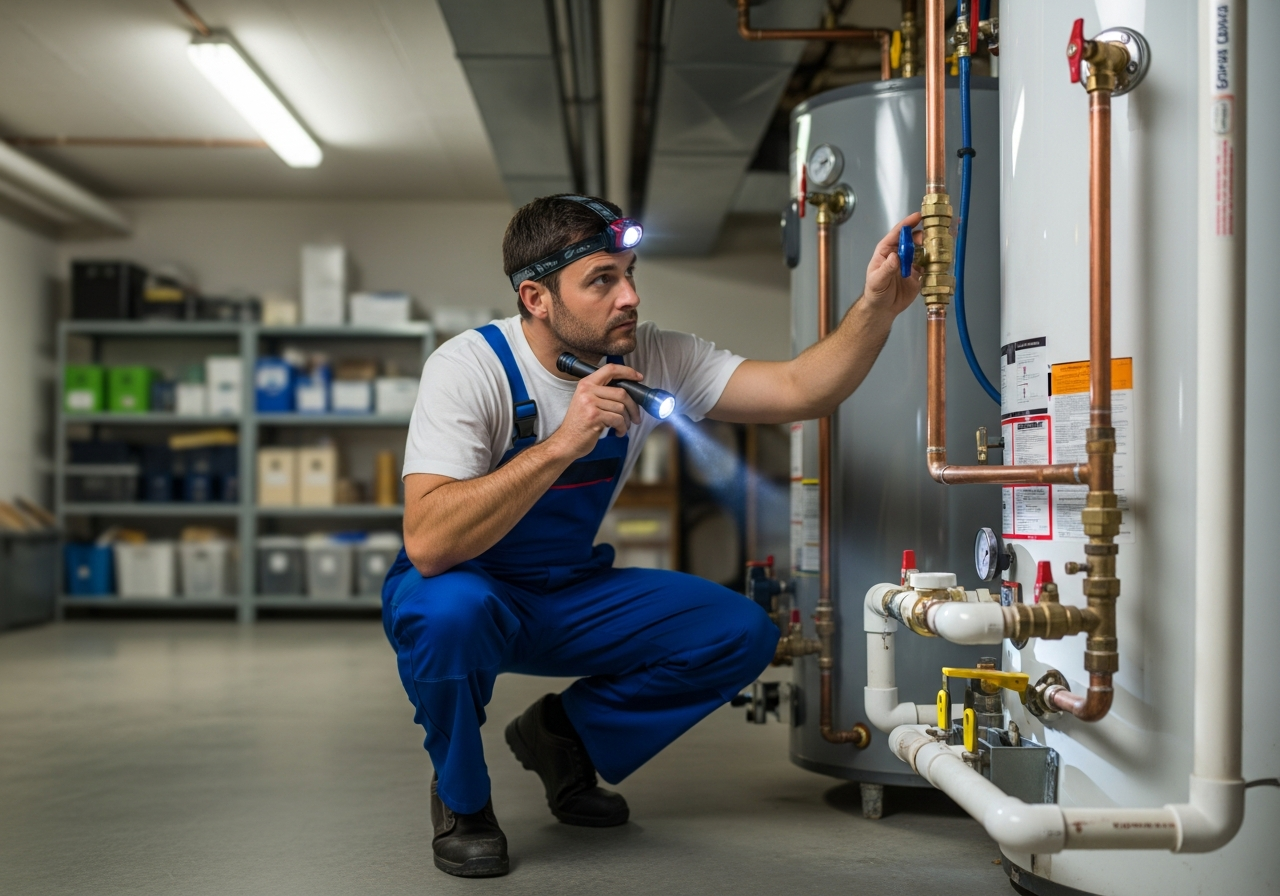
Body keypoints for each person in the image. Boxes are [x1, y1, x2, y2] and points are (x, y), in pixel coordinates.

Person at [382, 194, 922, 877]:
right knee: (450, 614)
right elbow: (430, 543)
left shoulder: (655, 355)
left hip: (564, 590)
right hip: (467, 587)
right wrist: (562, 443)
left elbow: (798, 390)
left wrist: (876, 307)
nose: (630, 297)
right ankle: (463, 803)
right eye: (602, 280)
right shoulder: (469, 368)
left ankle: (564, 738)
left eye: (631, 273)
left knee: (739, 631)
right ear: (536, 298)